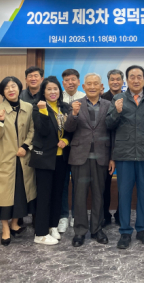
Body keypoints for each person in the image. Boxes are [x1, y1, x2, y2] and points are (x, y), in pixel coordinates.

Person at [106, 65, 144, 249]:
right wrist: (116, 112)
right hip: (124, 154)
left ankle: (142, 229)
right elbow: (108, 125)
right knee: (124, 194)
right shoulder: (118, 98)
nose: (136, 80)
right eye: (132, 77)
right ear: (127, 80)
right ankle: (125, 231)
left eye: (139, 76)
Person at [0, 76, 36, 246]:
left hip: (22, 158)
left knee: (20, 194)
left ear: (19, 88)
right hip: (4, 159)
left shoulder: (28, 107)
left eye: (13, 86)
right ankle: (5, 228)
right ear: (3, 92)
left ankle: (15, 224)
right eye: (6, 88)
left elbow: (32, 130)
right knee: (4, 195)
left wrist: (26, 146)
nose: (10, 90)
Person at [65, 73, 112, 247]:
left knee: (99, 194)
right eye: (89, 84)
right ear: (83, 87)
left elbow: (113, 131)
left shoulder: (108, 105)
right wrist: (74, 114)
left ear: (101, 87)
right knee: (79, 195)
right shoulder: (75, 105)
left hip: (102, 156)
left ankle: (97, 229)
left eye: (95, 84)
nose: (92, 86)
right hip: (80, 157)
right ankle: (79, 231)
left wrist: (113, 157)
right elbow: (68, 129)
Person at [29, 76, 72, 245]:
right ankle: (40, 233)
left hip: (62, 158)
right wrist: (43, 111)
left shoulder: (65, 107)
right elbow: (43, 131)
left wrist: (66, 140)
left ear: (59, 91)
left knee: (58, 193)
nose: (53, 92)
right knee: (44, 195)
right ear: (43, 92)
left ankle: (53, 226)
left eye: (55, 89)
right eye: (49, 89)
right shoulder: (38, 107)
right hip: (45, 158)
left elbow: (71, 129)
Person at [58, 68, 85, 232]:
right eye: (67, 80)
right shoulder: (57, 98)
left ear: (78, 81)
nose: (70, 82)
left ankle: (76, 215)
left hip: (80, 148)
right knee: (62, 183)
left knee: (78, 184)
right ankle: (63, 216)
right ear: (63, 83)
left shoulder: (85, 97)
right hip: (61, 148)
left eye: (73, 79)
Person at [101, 69, 124, 226]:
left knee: (124, 185)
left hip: (124, 147)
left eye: (118, 79)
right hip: (105, 147)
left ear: (122, 81)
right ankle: (104, 215)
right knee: (104, 184)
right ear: (108, 81)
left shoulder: (128, 98)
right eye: (112, 79)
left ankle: (121, 214)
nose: (115, 82)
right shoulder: (101, 99)